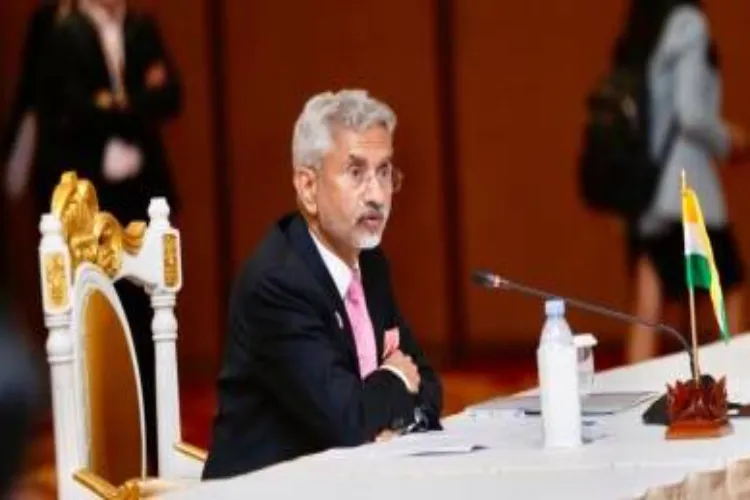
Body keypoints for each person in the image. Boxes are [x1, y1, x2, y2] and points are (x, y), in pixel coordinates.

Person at [203, 90, 443, 479]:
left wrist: (387, 413)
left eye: (384, 172)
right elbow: (348, 421)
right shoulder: (277, 284)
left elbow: (429, 384)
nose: (377, 195)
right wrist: (396, 380)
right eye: (356, 173)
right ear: (308, 188)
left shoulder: (371, 263)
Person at [37, 0, 183, 472]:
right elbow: (73, 109)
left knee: (147, 321)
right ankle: (98, 450)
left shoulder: (141, 26)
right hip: (89, 201)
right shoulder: (63, 32)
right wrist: (138, 103)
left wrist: (114, 104)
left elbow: (172, 96)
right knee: (92, 322)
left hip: (143, 195)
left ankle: (153, 447)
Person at [621, 0, 748, 362]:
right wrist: (729, 140)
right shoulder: (689, 23)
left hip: (648, 190)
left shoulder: (643, 26)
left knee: (648, 305)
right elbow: (691, 113)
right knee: (728, 287)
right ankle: (735, 382)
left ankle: (638, 389)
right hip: (685, 187)